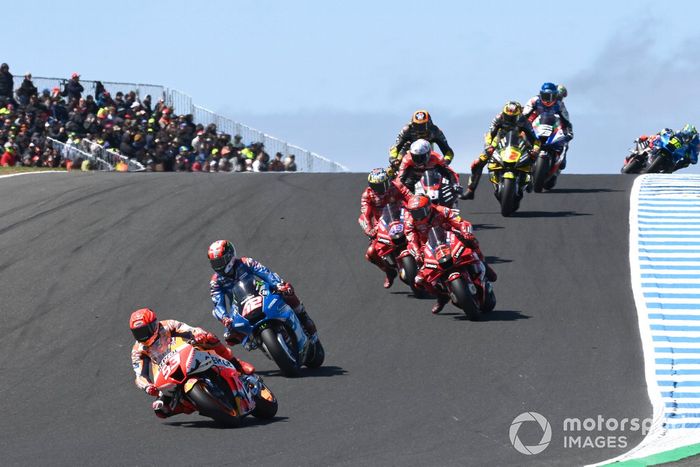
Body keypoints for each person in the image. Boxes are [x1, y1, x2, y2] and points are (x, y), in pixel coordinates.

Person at [129, 307, 255, 418]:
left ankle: (237, 364)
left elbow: (189, 330)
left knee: (209, 338)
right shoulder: (138, 350)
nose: (143, 336)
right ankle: (193, 405)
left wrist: (198, 334)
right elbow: (140, 376)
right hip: (166, 371)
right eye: (138, 333)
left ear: (154, 324)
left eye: (145, 330)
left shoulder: (167, 325)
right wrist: (147, 386)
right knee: (161, 410)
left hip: (185, 352)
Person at [207, 240, 318, 345]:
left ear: (230, 256)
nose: (218, 266)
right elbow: (218, 305)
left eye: (220, 262)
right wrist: (224, 317)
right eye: (215, 263)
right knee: (229, 336)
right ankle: (253, 341)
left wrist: (278, 284)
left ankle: (302, 315)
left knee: (286, 290)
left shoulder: (246, 262)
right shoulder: (215, 282)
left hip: (259, 290)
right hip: (238, 305)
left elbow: (265, 273)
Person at [405, 195, 497, 314]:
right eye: (414, 212)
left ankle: (484, 264)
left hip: (450, 238)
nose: (417, 215)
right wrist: (417, 253)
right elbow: (411, 239)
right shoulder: (410, 222)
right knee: (419, 281)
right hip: (429, 247)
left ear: (428, 208)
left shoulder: (442, 211)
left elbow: (459, 221)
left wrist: (465, 231)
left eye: (419, 211)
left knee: (471, 241)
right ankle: (441, 296)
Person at [464, 101, 541, 199]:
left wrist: (535, 149)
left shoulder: (523, 121)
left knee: (532, 155)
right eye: (507, 116)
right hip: (499, 140)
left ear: (518, 115)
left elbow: (535, 140)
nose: (509, 119)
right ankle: (471, 190)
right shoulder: (498, 118)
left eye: (512, 117)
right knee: (477, 163)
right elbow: (490, 134)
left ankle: (530, 179)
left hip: (519, 141)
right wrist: (488, 145)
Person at [358, 168, 412, 288]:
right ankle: (389, 272)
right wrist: (369, 229)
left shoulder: (397, 186)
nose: (379, 189)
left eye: (382, 185)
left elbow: (410, 197)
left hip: (402, 218)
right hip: (382, 225)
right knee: (371, 253)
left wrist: (414, 207)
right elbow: (364, 215)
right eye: (375, 186)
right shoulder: (367, 195)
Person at [522, 82, 573, 168]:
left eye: (560, 97)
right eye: (558, 96)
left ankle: (562, 157)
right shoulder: (536, 101)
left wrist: (568, 130)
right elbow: (526, 114)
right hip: (537, 123)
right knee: (522, 133)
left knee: (565, 138)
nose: (558, 99)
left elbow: (565, 119)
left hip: (553, 125)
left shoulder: (559, 105)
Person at [389, 110, 455, 170]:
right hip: (406, 151)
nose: (420, 129)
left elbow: (448, 152)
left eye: (423, 126)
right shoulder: (407, 130)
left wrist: (445, 161)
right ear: (412, 124)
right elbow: (395, 147)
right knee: (392, 169)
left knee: (444, 170)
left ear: (429, 124)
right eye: (417, 126)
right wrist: (393, 159)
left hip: (427, 154)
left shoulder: (435, 131)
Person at [395, 138, 461, 193]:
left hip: (433, 183)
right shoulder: (407, 159)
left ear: (428, 153)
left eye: (422, 157)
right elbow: (400, 177)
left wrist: (455, 184)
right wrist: (398, 189)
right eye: (415, 157)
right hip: (413, 181)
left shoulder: (437, 158)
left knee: (452, 191)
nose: (418, 160)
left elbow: (450, 172)